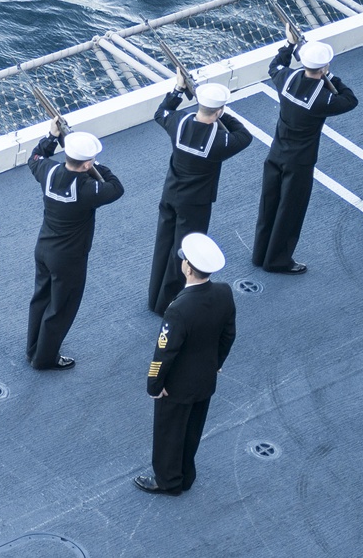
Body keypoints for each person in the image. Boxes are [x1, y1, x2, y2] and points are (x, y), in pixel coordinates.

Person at [135, 233, 235, 496]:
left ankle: (168, 480)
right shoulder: (224, 292)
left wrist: (154, 385)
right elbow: (228, 334)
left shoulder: (178, 309)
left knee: (169, 432)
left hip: (177, 385)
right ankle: (186, 474)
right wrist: (216, 363)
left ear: (188, 268)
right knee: (192, 429)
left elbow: (164, 353)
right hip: (205, 379)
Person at [252, 37, 358, 274]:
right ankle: (277, 260)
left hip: (276, 152)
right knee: (290, 211)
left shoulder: (286, 78)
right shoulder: (322, 99)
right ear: (323, 67)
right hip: (299, 161)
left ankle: (260, 254)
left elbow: (276, 65)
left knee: (269, 205)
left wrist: (289, 45)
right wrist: (328, 77)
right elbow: (350, 100)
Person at [148, 76, 252, 315]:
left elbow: (162, 112)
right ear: (219, 110)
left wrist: (178, 89)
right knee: (183, 253)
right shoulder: (220, 141)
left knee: (163, 245)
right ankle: (167, 303)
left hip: (170, 193)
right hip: (195, 203)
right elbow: (244, 136)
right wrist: (221, 114)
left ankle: (154, 297)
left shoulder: (179, 122)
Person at [26, 122, 124, 370]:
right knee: (61, 308)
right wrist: (96, 166)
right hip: (68, 257)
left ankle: (33, 349)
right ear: (87, 163)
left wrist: (52, 136)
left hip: (44, 247)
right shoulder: (88, 189)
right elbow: (116, 187)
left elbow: (36, 156)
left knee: (40, 299)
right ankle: (44, 358)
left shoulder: (47, 172)